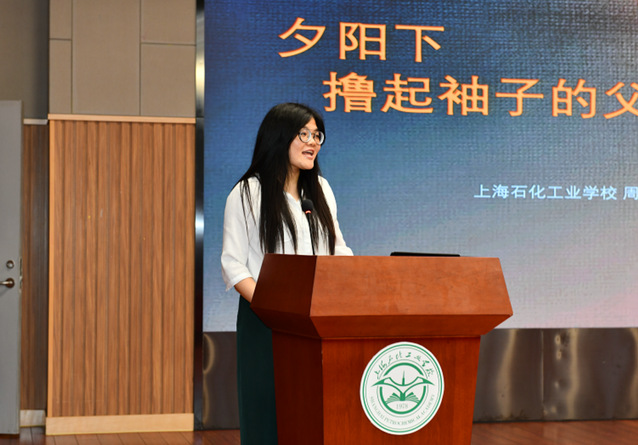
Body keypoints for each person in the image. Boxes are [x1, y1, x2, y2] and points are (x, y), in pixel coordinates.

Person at [221, 103, 353, 444]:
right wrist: (273, 307)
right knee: (268, 411)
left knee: (313, 411)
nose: (313, 142)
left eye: (317, 135)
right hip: (265, 318)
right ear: (279, 138)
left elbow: (337, 248)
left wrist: (352, 282)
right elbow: (233, 263)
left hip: (317, 317)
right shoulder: (248, 192)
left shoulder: (320, 189)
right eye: (304, 134)